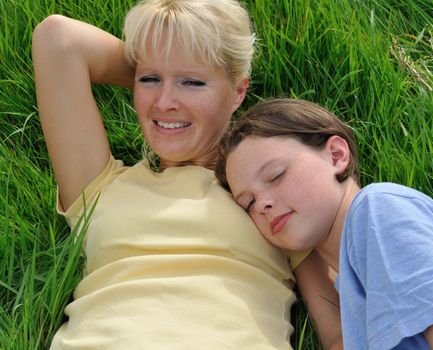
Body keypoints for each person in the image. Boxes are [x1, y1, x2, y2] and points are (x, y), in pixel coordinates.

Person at [32, 1, 342, 349]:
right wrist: (170, 67)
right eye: (149, 79)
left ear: (239, 91)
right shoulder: (100, 187)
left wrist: (181, 74)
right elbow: (58, 40)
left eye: (192, 82)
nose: (165, 102)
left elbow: (338, 333)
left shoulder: (270, 199)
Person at [215, 98, 433, 350]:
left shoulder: (378, 212)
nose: (264, 203)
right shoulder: (355, 290)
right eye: (249, 203)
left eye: (276, 175)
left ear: (337, 155)